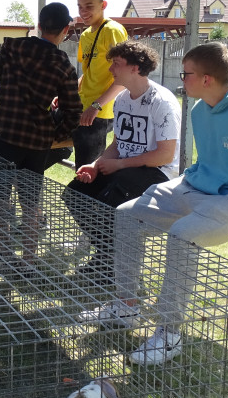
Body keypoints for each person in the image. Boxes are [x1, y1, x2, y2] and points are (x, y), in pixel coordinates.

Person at [116, 42, 228, 366]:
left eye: (185, 74)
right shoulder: (200, 110)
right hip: (197, 188)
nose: (180, 81)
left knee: (183, 234)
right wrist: (191, 178)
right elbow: (212, 160)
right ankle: (127, 304)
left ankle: (169, 334)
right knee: (126, 215)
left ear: (206, 80)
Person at [67, 41, 181, 324]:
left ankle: (116, 272)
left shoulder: (161, 101)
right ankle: (107, 257)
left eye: (115, 64)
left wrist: (118, 165)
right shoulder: (122, 100)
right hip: (124, 167)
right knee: (75, 194)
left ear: (135, 67)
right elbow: (119, 143)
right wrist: (96, 165)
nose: (110, 69)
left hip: (156, 172)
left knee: (109, 201)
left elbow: (165, 154)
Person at [0, 2, 82, 261]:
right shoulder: (62, 64)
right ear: (65, 30)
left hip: (4, 135)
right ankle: (29, 259)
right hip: (37, 143)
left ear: (40, 25)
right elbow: (73, 112)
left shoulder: (13, 48)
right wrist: (55, 134)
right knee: (31, 203)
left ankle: (3, 253)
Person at [73, 0, 127, 168]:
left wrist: (96, 106)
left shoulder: (113, 31)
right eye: (80, 7)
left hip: (101, 111)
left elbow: (124, 77)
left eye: (89, 6)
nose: (83, 12)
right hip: (83, 107)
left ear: (103, 5)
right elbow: (88, 73)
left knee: (88, 171)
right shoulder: (86, 34)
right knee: (80, 165)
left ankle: (84, 197)